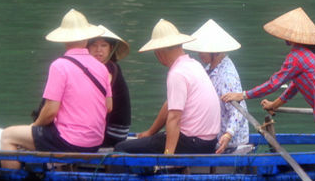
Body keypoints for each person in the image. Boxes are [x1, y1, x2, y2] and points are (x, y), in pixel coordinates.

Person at [222, 7, 315, 150]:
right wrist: (274, 104)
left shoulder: (297, 56)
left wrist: (243, 95)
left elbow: (273, 84)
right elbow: (295, 85)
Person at [0, 9, 113, 169]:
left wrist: (35, 126)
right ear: (87, 39)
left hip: (69, 142)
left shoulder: (59, 66)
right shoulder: (102, 68)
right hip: (95, 142)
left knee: (8, 135)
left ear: (64, 40)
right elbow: (108, 107)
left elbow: (51, 111)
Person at [114, 19, 220, 155]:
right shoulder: (193, 65)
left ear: (159, 52)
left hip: (192, 142)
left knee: (121, 148)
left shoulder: (177, 73)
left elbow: (174, 117)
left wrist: (168, 154)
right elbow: (170, 104)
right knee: (152, 140)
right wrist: (151, 132)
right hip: (208, 142)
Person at [183, 19, 249, 154]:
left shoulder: (227, 75)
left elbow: (238, 110)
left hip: (228, 139)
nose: (200, 54)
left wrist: (228, 134)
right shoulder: (210, 69)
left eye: (204, 51)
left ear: (216, 52)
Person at [87, 25, 132, 147]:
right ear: (88, 48)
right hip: (110, 129)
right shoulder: (100, 68)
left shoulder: (108, 68)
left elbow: (103, 105)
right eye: (94, 45)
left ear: (110, 49)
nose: (98, 50)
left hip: (113, 132)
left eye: (104, 45)